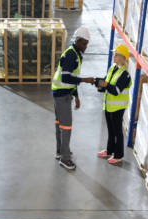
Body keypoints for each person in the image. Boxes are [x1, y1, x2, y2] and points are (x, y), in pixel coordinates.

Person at [51, 26, 95, 171]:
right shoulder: (71, 55)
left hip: (62, 92)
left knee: (60, 124)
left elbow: (72, 76)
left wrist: (76, 96)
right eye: (84, 43)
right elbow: (66, 77)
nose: (86, 46)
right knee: (66, 126)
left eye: (87, 43)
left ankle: (60, 151)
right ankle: (65, 159)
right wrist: (85, 80)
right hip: (61, 94)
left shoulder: (76, 53)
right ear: (77, 41)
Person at [94, 44, 132, 165]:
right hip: (109, 105)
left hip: (118, 107)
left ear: (122, 57)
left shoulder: (125, 74)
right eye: (114, 54)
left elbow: (116, 91)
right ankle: (110, 151)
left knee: (117, 132)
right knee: (110, 130)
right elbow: (106, 82)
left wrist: (105, 85)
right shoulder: (113, 68)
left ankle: (119, 155)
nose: (113, 56)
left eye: (116, 55)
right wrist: (100, 85)